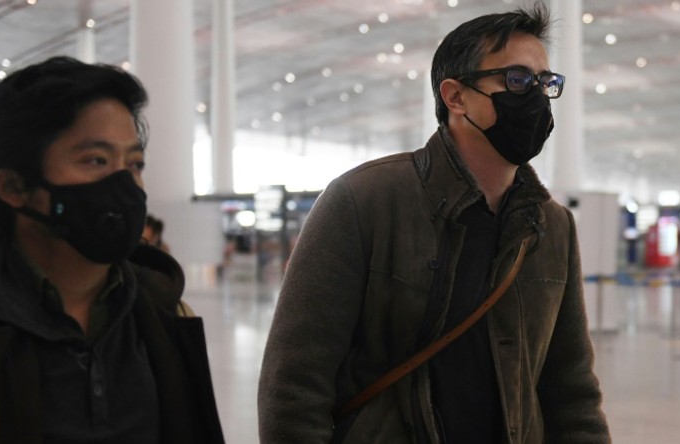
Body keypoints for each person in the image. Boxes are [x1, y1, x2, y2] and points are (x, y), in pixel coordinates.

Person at [258, 3, 610, 443]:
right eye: (517, 81)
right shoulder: (363, 201)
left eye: (544, 82)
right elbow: (294, 386)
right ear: (456, 96)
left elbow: (570, 390)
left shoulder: (551, 226)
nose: (535, 97)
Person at [0, 56, 224, 443]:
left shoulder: (161, 312)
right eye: (96, 160)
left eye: (135, 163)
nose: (125, 185)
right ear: (13, 187)